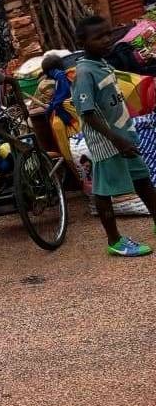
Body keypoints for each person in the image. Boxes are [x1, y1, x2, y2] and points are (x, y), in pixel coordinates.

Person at [73, 15, 156, 256]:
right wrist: (116, 140)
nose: (106, 40)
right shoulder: (84, 72)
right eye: (98, 37)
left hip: (124, 137)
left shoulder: (102, 63)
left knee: (143, 181)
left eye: (108, 34)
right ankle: (115, 241)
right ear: (82, 41)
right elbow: (87, 113)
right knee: (103, 191)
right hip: (107, 143)